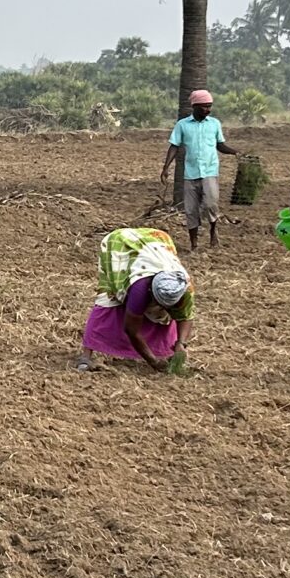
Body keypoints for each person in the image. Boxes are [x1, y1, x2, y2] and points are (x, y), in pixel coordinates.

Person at [79, 228, 193, 370]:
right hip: (119, 245)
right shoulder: (140, 288)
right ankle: (86, 355)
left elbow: (186, 316)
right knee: (108, 298)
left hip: (158, 240)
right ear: (151, 291)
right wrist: (153, 361)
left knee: (164, 316)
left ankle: (165, 352)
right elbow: (131, 330)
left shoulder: (184, 288)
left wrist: (181, 343)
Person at [161, 89, 237, 252]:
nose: (208, 110)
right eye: (204, 107)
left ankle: (212, 231)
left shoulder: (214, 124)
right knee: (190, 210)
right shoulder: (182, 125)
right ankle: (194, 243)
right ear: (194, 106)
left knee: (210, 204)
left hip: (210, 171)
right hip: (191, 173)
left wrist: (235, 152)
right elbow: (174, 146)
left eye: (209, 106)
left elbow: (220, 145)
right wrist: (166, 167)